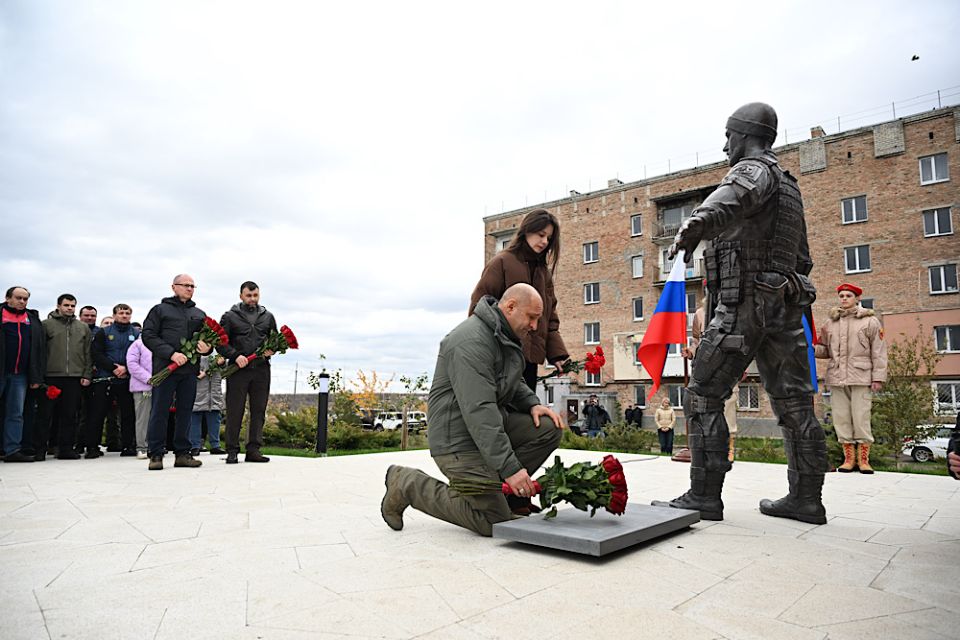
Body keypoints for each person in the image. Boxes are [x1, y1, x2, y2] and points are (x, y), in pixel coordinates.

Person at [652, 102, 828, 525]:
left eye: (729, 136)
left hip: (744, 303)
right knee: (795, 402)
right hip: (784, 305)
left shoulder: (753, 170)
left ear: (745, 135)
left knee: (704, 393)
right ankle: (806, 500)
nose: (725, 145)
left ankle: (703, 496)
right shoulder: (789, 186)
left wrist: (693, 226)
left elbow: (727, 201)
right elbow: (802, 257)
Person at [380, 284, 565, 536]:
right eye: (531, 317)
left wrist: (532, 404)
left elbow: (512, 379)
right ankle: (407, 483)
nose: (534, 326)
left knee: (547, 428)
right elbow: (480, 411)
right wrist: (511, 469)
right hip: (458, 441)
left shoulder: (503, 336)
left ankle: (501, 495)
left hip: (482, 432)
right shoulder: (470, 341)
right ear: (510, 307)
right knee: (493, 523)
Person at [469, 208, 569, 391]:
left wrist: (556, 354)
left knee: (528, 406)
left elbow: (549, 316)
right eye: (541, 235)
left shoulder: (544, 273)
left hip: (529, 361)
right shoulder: (501, 263)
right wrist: (479, 350)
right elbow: (480, 307)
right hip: (502, 356)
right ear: (527, 230)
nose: (545, 242)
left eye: (548, 238)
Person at [814, 283, 887, 473]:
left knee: (861, 418)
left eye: (848, 296)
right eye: (841, 296)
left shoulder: (870, 321)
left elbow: (879, 352)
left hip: (861, 377)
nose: (844, 299)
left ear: (857, 298)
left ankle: (863, 460)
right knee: (841, 419)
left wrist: (878, 377)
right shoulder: (830, 323)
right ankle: (848, 459)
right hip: (837, 377)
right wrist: (810, 348)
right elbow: (825, 350)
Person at [141, 274, 210, 470]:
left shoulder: (199, 313)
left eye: (192, 286)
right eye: (185, 285)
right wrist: (171, 354)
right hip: (166, 368)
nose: (189, 289)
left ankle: (182, 454)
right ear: (174, 287)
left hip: (189, 370)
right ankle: (156, 454)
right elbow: (148, 335)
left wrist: (207, 348)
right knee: (159, 411)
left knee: (186, 412)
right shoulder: (159, 310)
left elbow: (207, 339)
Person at [216, 281, 277, 464]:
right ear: (241, 296)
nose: (252, 299)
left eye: (255, 295)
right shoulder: (229, 316)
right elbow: (220, 343)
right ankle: (232, 450)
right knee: (235, 411)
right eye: (249, 295)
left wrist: (272, 349)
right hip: (238, 370)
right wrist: (235, 356)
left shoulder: (268, 317)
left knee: (258, 410)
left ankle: (253, 450)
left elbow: (275, 340)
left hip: (261, 370)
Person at [683, 301, 739, 462]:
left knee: (729, 405)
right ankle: (703, 447)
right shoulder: (700, 313)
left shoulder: (733, 309)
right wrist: (691, 352)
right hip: (704, 366)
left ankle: (730, 447)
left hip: (727, 365)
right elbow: (696, 340)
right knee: (699, 405)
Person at [39, 294, 92, 459]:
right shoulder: (46, 325)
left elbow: (88, 353)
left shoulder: (83, 327)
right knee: (45, 415)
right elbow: (39, 351)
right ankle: (39, 449)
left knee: (69, 415)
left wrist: (87, 374)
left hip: (74, 377)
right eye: (66, 305)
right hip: (51, 376)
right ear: (58, 306)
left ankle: (66, 449)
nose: (70, 308)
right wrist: (39, 376)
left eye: (72, 305)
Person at [87, 304, 139, 458]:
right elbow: (97, 353)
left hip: (126, 378)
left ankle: (128, 446)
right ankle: (92, 447)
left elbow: (140, 354)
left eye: (127, 313)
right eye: (121, 313)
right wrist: (113, 368)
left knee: (128, 414)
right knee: (98, 413)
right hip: (106, 378)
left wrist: (127, 369)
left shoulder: (136, 334)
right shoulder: (104, 332)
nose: (124, 315)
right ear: (114, 315)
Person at [1, 286, 46, 462]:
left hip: (20, 375)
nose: (22, 301)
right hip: (2, 371)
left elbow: (39, 350)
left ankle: (12, 450)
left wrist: (36, 377)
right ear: (7, 298)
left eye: (25, 299)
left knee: (16, 414)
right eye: (18, 298)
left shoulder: (32, 319)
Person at [190, 354, 226, 455]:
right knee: (195, 418)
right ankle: (195, 446)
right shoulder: (194, 351)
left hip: (214, 391)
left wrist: (222, 363)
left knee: (215, 418)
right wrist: (195, 373)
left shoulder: (218, 351)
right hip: (198, 390)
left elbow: (225, 369)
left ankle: (215, 445)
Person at [125, 334, 153, 459]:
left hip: (160, 387)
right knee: (143, 418)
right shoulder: (138, 344)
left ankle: (155, 445)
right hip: (143, 387)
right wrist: (149, 379)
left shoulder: (161, 343)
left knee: (157, 417)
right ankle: (142, 447)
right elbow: (132, 364)